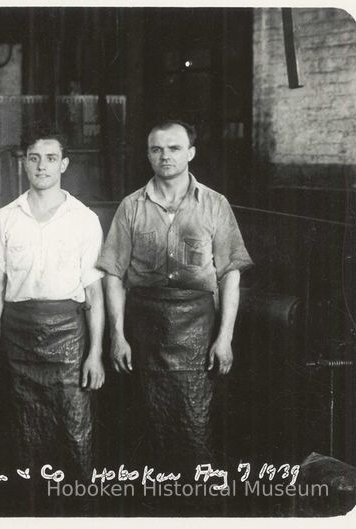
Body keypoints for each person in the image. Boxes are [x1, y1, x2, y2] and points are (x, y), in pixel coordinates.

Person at [97, 120, 253, 475]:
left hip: (199, 330)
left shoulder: (214, 204)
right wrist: (118, 336)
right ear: (148, 154)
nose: (165, 156)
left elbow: (230, 273)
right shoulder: (131, 206)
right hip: (143, 332)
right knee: (144, 428)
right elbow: (113, 274)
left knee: (197, 425)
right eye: (156, 149)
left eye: (174, 148)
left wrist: (224, 338)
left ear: (191, 153)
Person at [0, 128, 105, 487]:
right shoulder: (5, 217)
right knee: (22, 432)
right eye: (34, 158)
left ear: (64, 164)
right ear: (24, 164)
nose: (42, 166)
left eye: (51, 158)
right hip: (18, 336)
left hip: (68, 333)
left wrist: (95, 353)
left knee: (74, 430)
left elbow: (93, 293)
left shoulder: (84, 219)